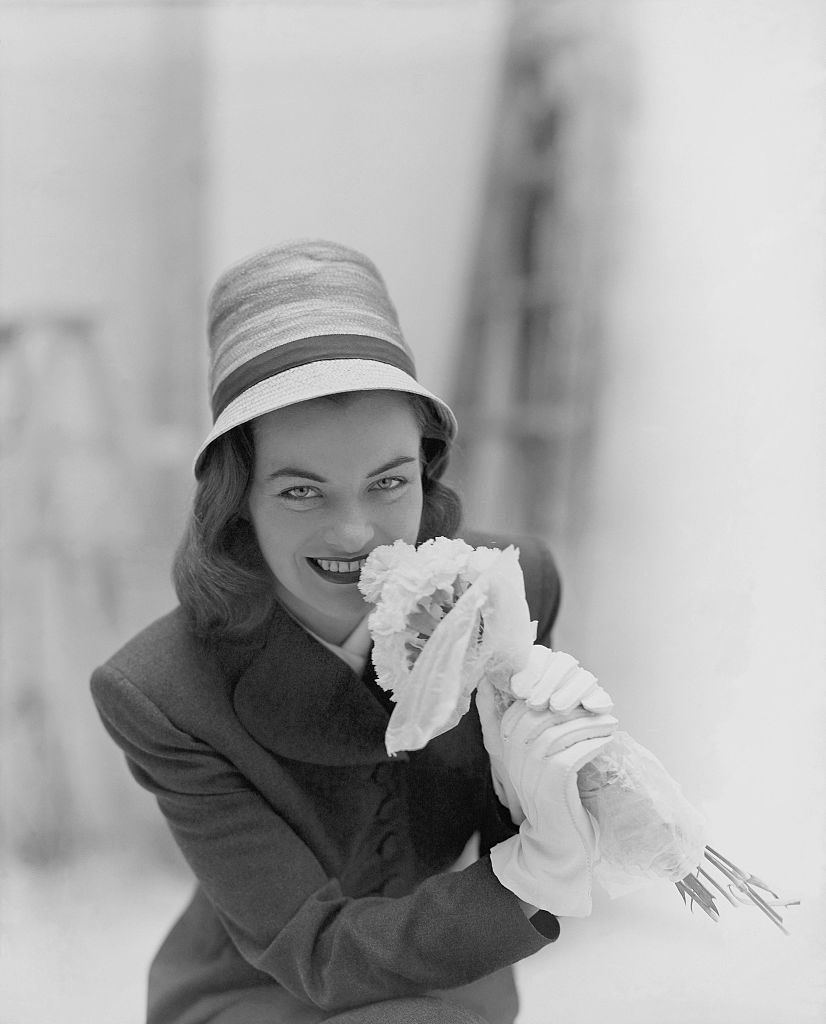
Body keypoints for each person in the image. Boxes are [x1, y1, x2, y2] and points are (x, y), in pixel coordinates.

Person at [91, 240, 617, 1024]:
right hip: (258, 979)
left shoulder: (513, 587)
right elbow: (314, 950)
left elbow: (527, 828)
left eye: (388, 482)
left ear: (426, 472)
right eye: (303, 490)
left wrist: (563, 771)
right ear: (238, 501)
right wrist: (534, 874)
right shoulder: (160, 692)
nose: (354, 533)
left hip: (454, 960)